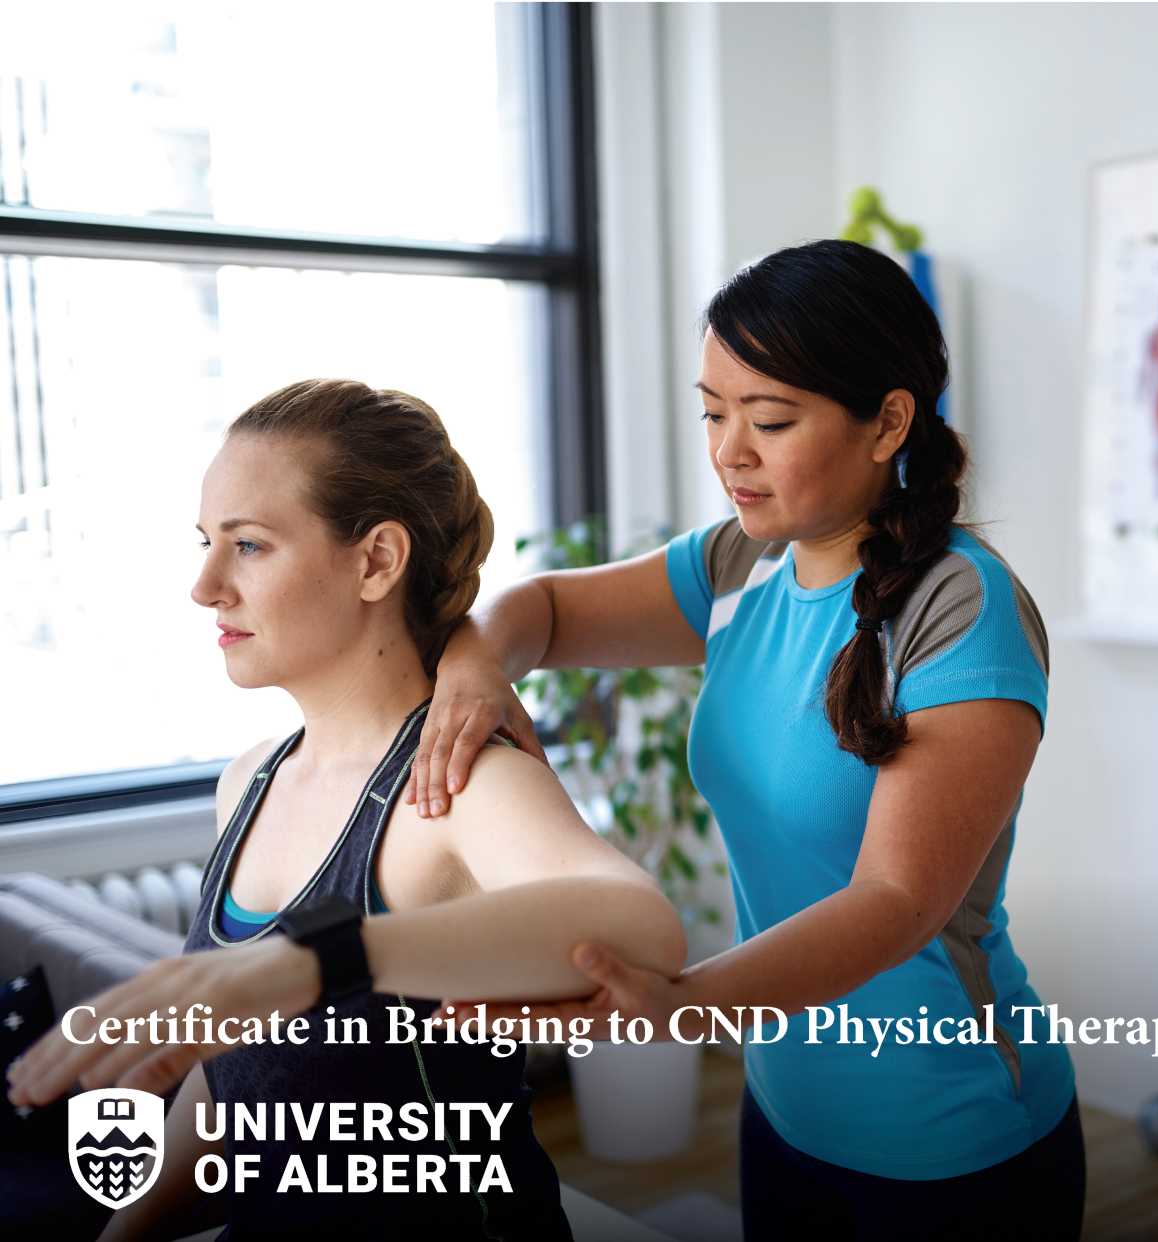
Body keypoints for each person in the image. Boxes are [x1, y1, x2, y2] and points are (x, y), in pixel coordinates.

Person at [408, 239, 1086, 1239]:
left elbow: (894, 903)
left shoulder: (960, 606)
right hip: (784, 1111)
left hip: (952, 1139)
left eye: (770, 419)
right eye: (714, 414)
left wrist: (681, 1004)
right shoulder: (741, 563)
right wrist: (476, 663)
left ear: (888, 421)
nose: (730, 451)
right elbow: (543, 610)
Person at [5, 379, 688, 1240]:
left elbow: (644, 932)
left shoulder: (459, 785)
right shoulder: (247, 783)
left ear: (376, 561)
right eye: (206, 543)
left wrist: (311, 963)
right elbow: (240, 1086)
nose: (205, 585)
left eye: (249, 545)